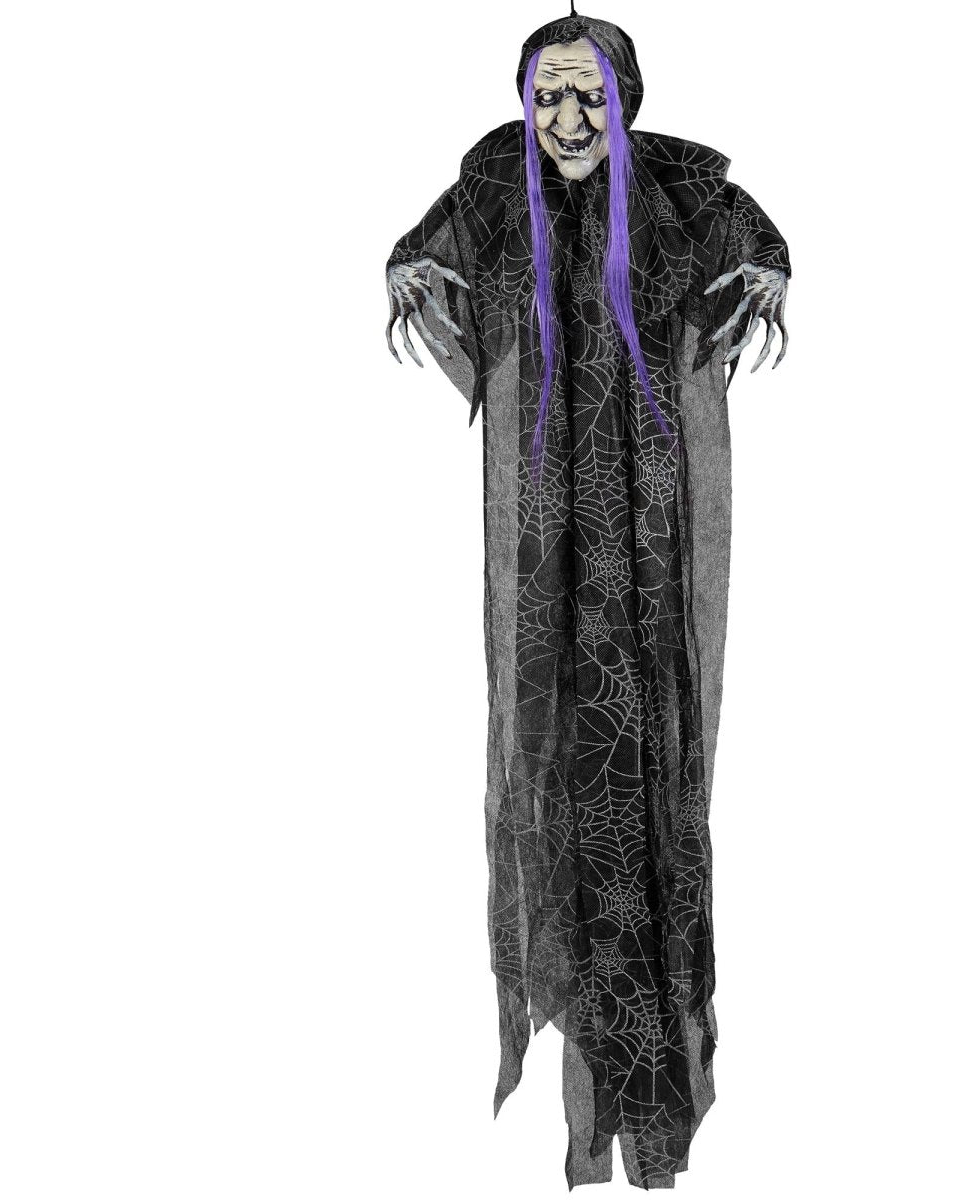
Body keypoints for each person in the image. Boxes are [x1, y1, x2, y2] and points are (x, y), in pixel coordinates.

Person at [384, 11, 791, 1190]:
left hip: (651, 529)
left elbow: (754, 236)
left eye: (590, 95)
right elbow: (420, 252)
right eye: (548, 96)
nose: (568, 119)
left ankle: (650, 1066)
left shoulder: (674, 188)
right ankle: (583, 1037)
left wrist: (763, 273)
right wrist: (412, 275)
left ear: (627, 100)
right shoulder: (494, 190)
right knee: (552, 749)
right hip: (543, 537)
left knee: (650, 759)